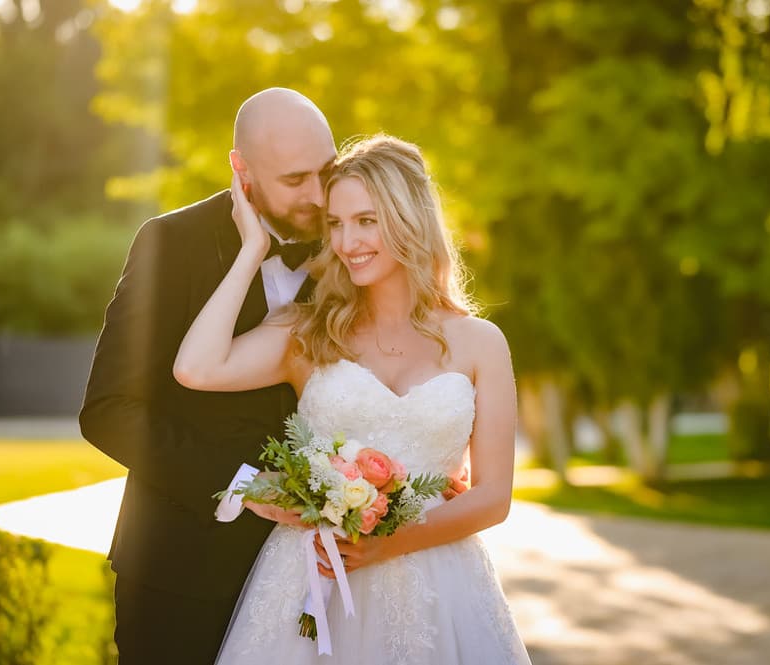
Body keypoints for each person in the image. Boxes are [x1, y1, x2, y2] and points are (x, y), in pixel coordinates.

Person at [173, 135, 531, 664]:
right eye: (336, 224)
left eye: (366, 221)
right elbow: (195, 368)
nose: (347, 242)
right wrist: (252, 249)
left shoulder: (481, 342)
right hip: (314, 577)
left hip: (441, 587)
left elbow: (494, 496)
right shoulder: (310, 333)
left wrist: (389, 543)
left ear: (409, 219)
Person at [79, 88, 337, 664]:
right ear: (242, 170)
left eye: (328, 170)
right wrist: (244, 485)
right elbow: (108, 409)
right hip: (180, 572)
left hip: (318, 580)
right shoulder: (170, 244)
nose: (319, 196)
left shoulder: (357, 245)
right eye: (296, 180)